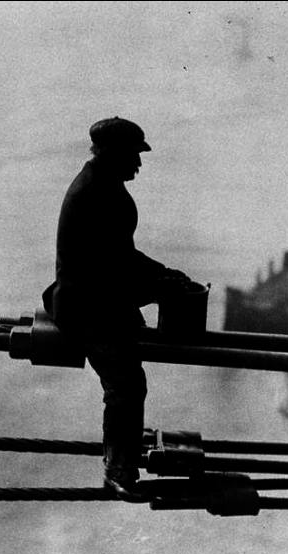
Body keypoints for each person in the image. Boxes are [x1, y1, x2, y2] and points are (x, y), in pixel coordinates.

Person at [42, 117, 192, 502]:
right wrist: (158, 287)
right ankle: (117, 470)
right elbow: (104, 272)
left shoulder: (105, 187)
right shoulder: (95, 193)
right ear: (111, 154)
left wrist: (162, 275)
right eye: (133, 155)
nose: (139, 164)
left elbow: (121, 256)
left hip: (94, 297)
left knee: (131, 380)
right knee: (126, 385)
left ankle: (124, 443)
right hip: (85, 306)